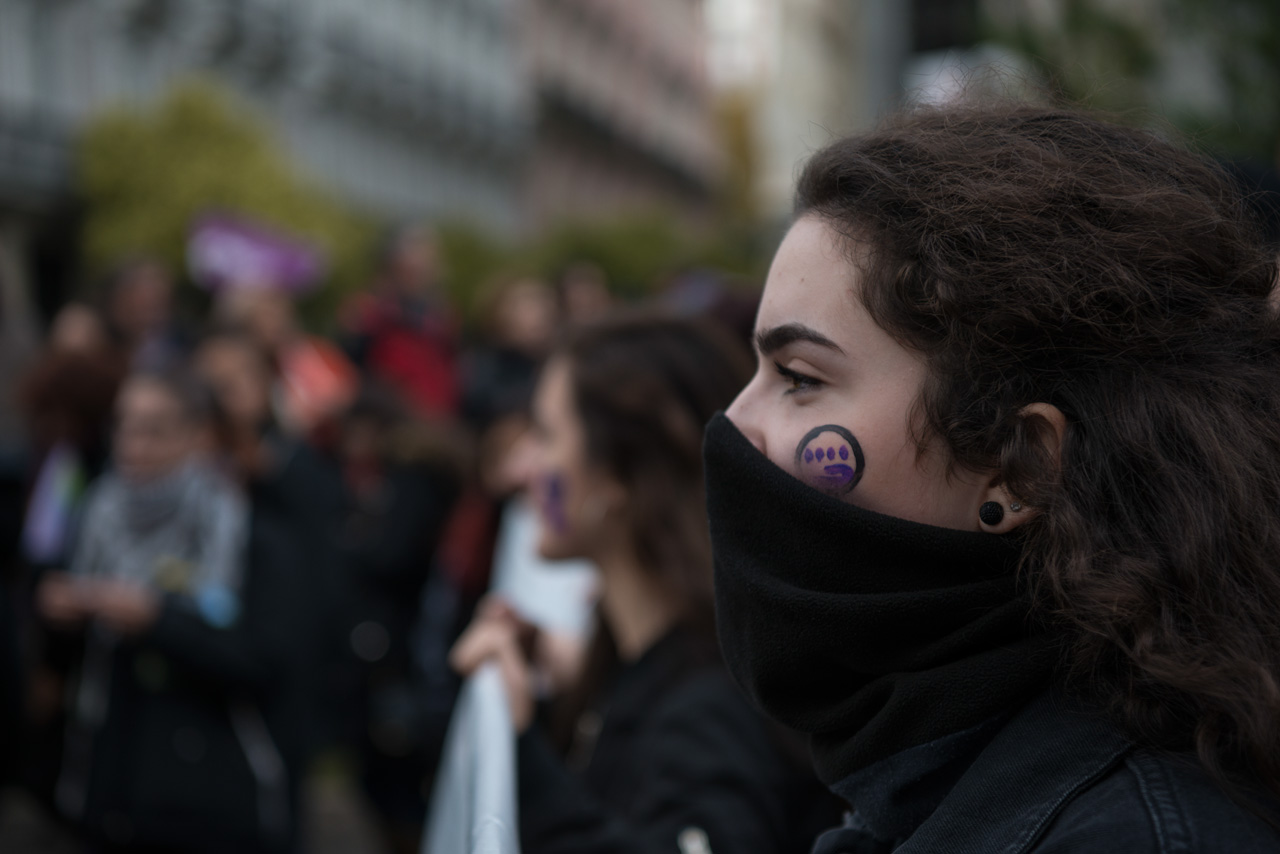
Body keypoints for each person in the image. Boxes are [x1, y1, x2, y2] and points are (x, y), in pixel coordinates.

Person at [703, 102, 1280, 853]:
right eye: (758, 368)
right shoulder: (932, 770)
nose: (736, 421)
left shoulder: (1129, 837)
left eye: (800, 376)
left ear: (1022, 465)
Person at [452, 314, 836, 854]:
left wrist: (519, 753)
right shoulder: (638, 659)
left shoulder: (710, 706)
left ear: (617, 477)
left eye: (544, 435)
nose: (521, 469)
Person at [37, 367, 307, 853]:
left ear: (198, 436)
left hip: (210, 805)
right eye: (123, 425)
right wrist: (61, 612)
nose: (132, 444)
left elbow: (268, 661)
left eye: (154, 429)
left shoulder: (249, 531)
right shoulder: (98, 513)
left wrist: (157, 620)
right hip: (107, 792)